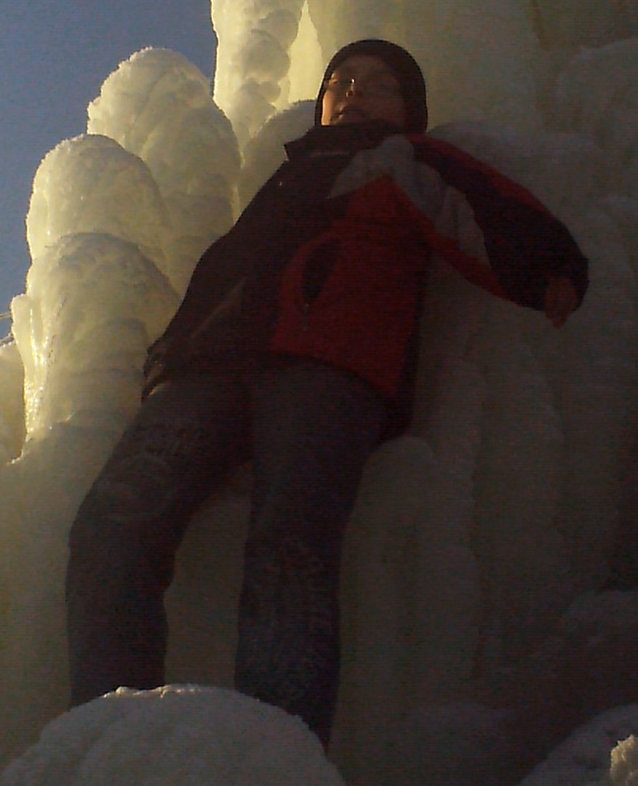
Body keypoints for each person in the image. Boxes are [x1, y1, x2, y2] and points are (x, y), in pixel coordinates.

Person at [65, 39, 589, 744]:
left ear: (409, 112)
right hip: (208, 366)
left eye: (379, 85)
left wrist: (549, 265)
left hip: (329, 365)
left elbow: (481, 204)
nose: (354, 93)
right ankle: (105, 742)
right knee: (112, 522)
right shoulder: (285, 180)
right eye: (340, 82)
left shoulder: (404, 160)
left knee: (289, 549)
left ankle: (275, 756)